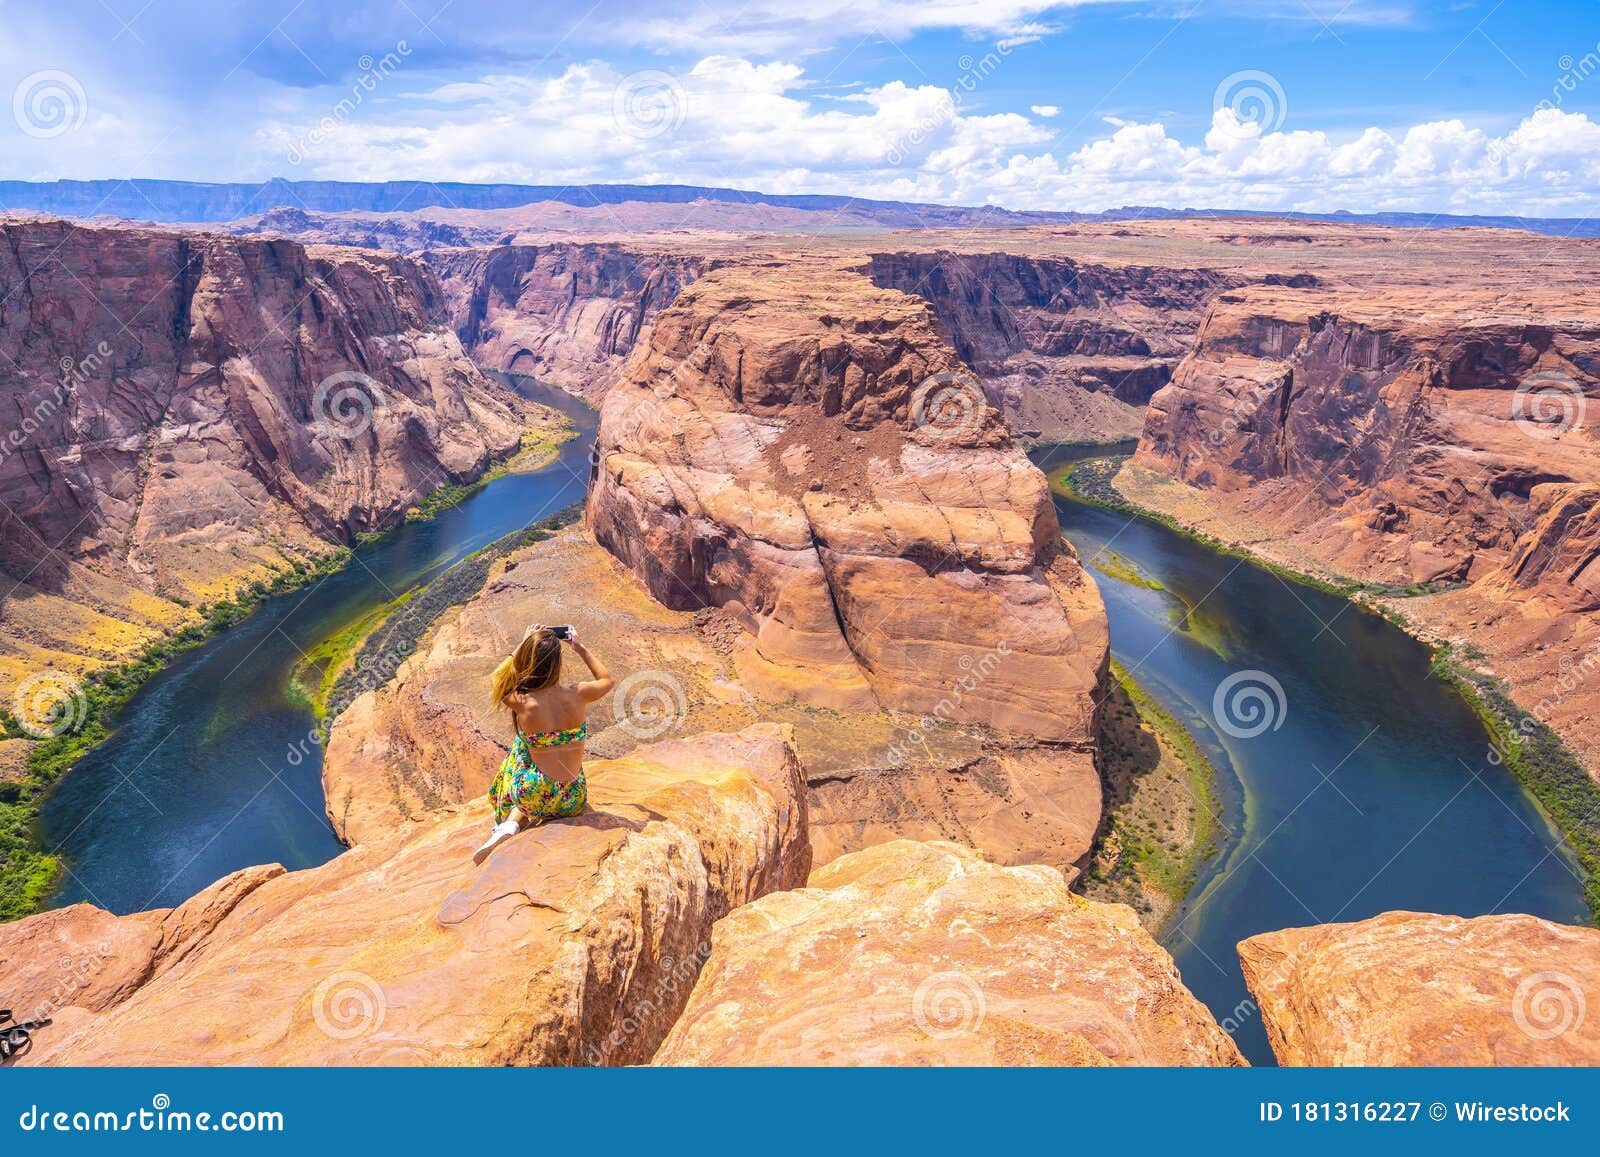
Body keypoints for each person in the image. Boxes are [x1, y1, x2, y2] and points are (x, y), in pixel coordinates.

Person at [473, 624, 614, 864]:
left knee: (521, 744)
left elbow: (498, 679)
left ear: (530, 661)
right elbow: (607, 680)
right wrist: (579, 647)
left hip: (532, 794)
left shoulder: (523, 703)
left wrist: (522, 646)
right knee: (540, 748)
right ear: (558, 663)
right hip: (573, 797)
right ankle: (515, 822)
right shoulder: (579, 693)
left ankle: (509, 824)